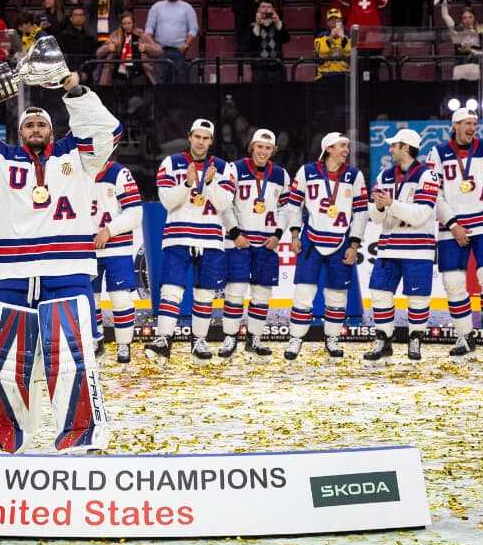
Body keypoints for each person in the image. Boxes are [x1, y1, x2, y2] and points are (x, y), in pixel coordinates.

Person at [0, 70, 121, 453]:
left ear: (52, 129)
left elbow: (108, 133)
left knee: (71, 357)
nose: (34, 128)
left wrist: (74, 91)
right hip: (14, 272)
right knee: (7, 362)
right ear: (18, 132)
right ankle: (5, 433)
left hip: (67, 269)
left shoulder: (78, 157)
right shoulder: (3, 162)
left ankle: (80, 432)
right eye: (28, 124)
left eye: (40, 123)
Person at [426, 108, 483, 359]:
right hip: (451, 226)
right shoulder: (438, 152)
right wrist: (452, 224)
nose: (471, 128)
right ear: (455, 125)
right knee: (453, 284)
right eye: (466, 123)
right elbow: (434, 193)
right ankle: (465, 337)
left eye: (474, 123)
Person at [144, 119, 233, 365]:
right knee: (171, 289)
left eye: (206, 138)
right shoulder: (171, 163)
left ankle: (199, 341)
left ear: (211, 141)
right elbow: (167, 201)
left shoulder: (224, 168)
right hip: (178, 236)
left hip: (211, 239)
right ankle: (163, 339)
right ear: (190, 136)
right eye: (197, 136)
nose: (201, 141)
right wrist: (186, 183)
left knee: (205, 292)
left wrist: (210, 183)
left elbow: (224, 205)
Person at [282, 132, 368, 361]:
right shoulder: (307, 172)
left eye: (347, 146)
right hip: (311, 239)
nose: (346, 150)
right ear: (328, 148)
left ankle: (332, 338)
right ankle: (295, 338)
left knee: (337, 295)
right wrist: (294, 234)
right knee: (303, 292)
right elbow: (293, 205)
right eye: (342, 145)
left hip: (341, 242)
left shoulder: (354, 175)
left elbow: (361, 212)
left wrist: (354, 243)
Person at [365, 129, 440, 362]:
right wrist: (378, 207)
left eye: (394, 145)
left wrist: (390, 203)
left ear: (405, 148)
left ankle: (415, 339)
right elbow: (376, 218)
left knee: (418, 298)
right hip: (388, 246)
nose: (390, 149)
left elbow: (420, 215)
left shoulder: (429, 176)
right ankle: (383, 341)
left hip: (418, 248)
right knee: (379, 293)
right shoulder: (384, 176)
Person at [218, 129, 290, 361]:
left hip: (267, 242)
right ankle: (230, 337)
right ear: (252, 146)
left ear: (273, 151)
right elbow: (225, 204)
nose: (263, 152)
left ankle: (254, 339)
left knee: (262, 294)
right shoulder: (235, 168)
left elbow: (287, 209)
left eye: (268, 148)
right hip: (239, 240)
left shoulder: (281, 174)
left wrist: (278, 234)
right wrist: (235, 232)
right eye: (260, 147)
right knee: (235, 291)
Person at [91, 159, 143, 364]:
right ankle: (96, 342)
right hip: (86, 248)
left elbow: (135, 213)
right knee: (89, 300)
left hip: (117, 247)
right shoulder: (76, 170)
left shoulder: (120, 173)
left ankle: (124, 345)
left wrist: (109, 231)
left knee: (121, 299)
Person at [96, 10, 163, 86]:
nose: (127, 26)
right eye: (124, 24)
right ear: (121, 24)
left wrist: (146, 47)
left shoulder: (141, 35)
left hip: (138, 75)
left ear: (133, 23)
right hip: (118, 77)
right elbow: (98, 54)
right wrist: (108, 48)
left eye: (129, 23)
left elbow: (159, 51)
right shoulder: (115, 36)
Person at [144, 0, 199, 84]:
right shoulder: (157, 7)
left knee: (179, 83)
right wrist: (154, 46)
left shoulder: (187, 8)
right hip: (160, 52)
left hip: (179, 52)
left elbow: (194, 28)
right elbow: (149, 28)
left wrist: (186, 45)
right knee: (159, 82)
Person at [246, 0, 289, 84]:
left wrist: (277, 23)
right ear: (258, 10)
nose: (266, 9)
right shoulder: (252, 26)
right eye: (263, 7)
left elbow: (286, 39)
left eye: (269, 7)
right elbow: (250, 45)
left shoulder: (279, 24)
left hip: (276, 67)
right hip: (259, 68)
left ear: (273, 10)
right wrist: (257, 24)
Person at [56, 6, 101, 85]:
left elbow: (93, 58)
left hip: (86, 77)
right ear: (71, 18)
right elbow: (62, 56)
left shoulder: (90, 38)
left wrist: (86, 72)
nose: (78, 17)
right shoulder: (63, 36)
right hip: (68, 75)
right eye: (76, 15)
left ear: (84, 18)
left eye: (80, 15)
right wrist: (71, 73)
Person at [441, 0, 483, 81]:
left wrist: (470, 50)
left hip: (476, 67)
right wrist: (444, 0)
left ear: (474, 17)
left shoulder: (481, 31)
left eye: (470, 17)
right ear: (461, 20)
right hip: (459, 67)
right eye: (464, 18)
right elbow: (445, 15)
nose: (467, 20)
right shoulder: (456, 32)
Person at [313, 7, 351, 81]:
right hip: (325, 75)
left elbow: (350, 54)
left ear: (341, 21)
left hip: (344, 74)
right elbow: (320, 56)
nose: (333, 21)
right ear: (327, 23)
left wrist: (343, 38)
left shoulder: (349, 36)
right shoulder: (320, 36)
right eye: (331, 19)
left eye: (336, 18)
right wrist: (330, 38)